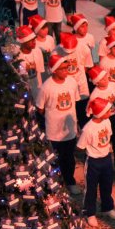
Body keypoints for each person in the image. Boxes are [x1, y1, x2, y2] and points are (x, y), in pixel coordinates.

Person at [36, 54, 81, 195]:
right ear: (54, 70)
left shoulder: (72, 82)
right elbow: (40, 108)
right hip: (54, 132)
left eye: (66, 68)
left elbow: (75, 102)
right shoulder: (46, 87)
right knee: (55, 159)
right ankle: (56, 184)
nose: (66, 71)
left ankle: (70, 181)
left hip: (70, 130)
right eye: (62, 69)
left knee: (69, 158)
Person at [77, 97, 115, 227]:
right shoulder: (88, 129)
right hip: (93, 162)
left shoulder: (107, 121)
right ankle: (90, 213)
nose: (110, 112)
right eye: (108, 111)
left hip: (106, 158)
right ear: (101, 113)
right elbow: (80, 146)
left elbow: (109, 137)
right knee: (91, 188)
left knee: (107, 185)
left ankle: (107, 207)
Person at [88, 65, 115, 177]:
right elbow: (91, 111)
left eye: (106, 77)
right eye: (102, 79)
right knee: (105, 142)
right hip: (103, 121)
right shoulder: (95, 95)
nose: (106, 80)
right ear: (96, 82)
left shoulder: (113, 86)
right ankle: (104, 167)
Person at [58, 30, 92, 130]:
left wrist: (78, 76)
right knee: (69, 109)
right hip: (65, 86)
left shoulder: (84, 48)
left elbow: (87, 66)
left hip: (80, 84)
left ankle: (84, 130)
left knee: (82, 109)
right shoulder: (56, 52)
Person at [16, 25, 44, 97]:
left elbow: (40, 71)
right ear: (24, 42)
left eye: (34, 39)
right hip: (24, 91)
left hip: (37, 88)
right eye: (31, 40)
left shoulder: (37, 51)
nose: (34, 42)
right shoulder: (17, 56)